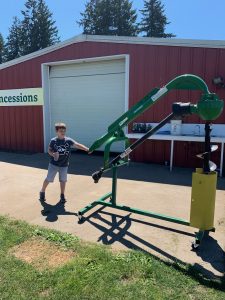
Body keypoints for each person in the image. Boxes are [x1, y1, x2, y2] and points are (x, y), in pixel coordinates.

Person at [39, 122, 89, 202]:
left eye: (64, 131)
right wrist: (53, 154)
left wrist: (86, 149)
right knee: (49, 179)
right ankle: (42, 191)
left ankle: (62, 195)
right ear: (56, 131)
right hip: (53, 164)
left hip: (64, 165)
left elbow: (77, 144)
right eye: (60, 131)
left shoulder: (68, 140)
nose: (62, 132)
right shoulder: (53, 141)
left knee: (63, 180)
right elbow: (49, 150)